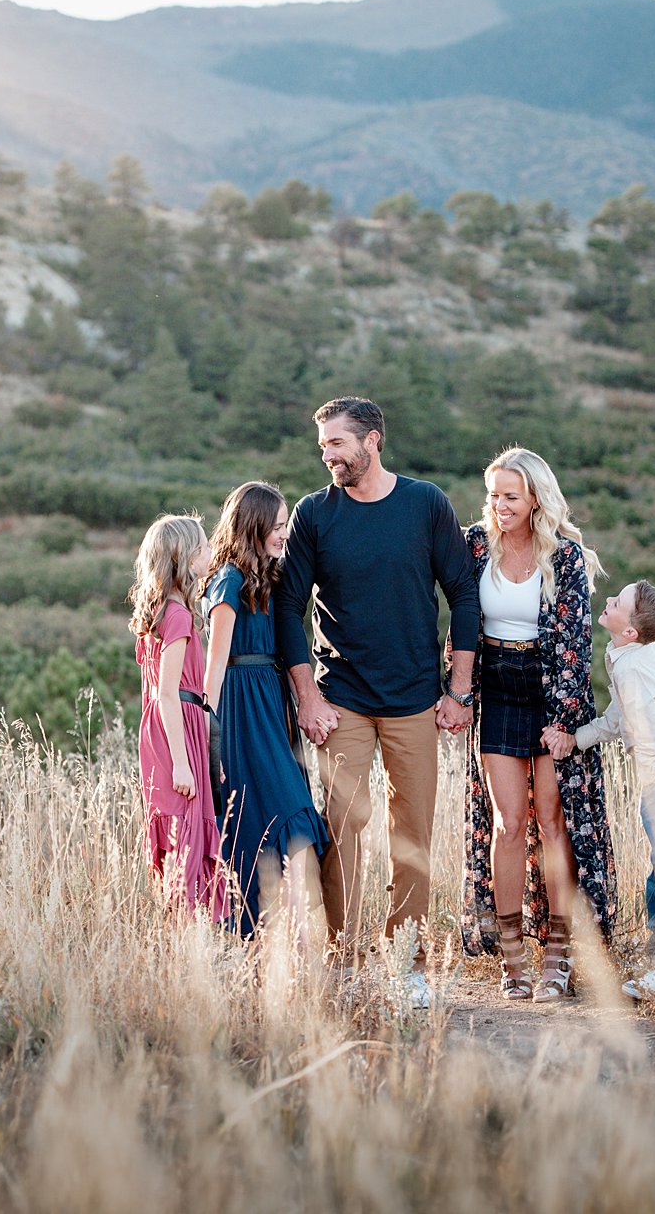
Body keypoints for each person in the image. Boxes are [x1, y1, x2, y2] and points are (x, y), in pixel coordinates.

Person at [275, 396, 479, 1008]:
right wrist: (306, 697)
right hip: (342, 699)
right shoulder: (315, 514)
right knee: (343, 825)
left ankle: (406, 959)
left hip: (416, 698)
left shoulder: (425, 505)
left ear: (373, 441)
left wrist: (459, 690)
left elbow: (463, 595)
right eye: (323, 448)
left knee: (412, 830)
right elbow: (289, 607)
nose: (328, 457)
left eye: (338, 444)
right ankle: (340, 957)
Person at [461, 447, 618, 1001]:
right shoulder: (475, 545)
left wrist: (562, 722)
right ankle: (511, 960)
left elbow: (577, 641)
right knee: (509, 823)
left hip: (551, 690)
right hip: (496, 691)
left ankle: (557, 954)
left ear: (535, 500)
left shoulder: (568, 558)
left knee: (552, 823)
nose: (499, 505)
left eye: (511, 496)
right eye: (494, 495)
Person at [544, 580, 655, 997]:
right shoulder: (626, 655)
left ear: (630, 630)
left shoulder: (633, 665)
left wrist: (652, 790)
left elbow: (647, 737)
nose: (609, 600)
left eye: (618, 602)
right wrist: (574, 739)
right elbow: (618, 719)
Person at [203, 482, 330, 939]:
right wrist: (208, 735)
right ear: (253, 528)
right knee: (271, 816)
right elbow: (215, 664)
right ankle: (260, 939)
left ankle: (291, 946)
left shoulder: (270, 576)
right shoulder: (230, 581)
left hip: (270, 703)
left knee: (293, 819)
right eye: (277, 527)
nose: (284, 534)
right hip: (239, 709)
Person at [130, 513, 227, 924]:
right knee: (185, 828)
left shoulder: (157, 612)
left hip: (161, 726)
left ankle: (180, 928)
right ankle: (186, 933)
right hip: (176, 728)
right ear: (185, 558)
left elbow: (152, 694)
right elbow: (169, 692)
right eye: (204, 547)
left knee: (176, 833)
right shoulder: (179, 616)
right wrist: (185, 761)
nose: (210, 553)